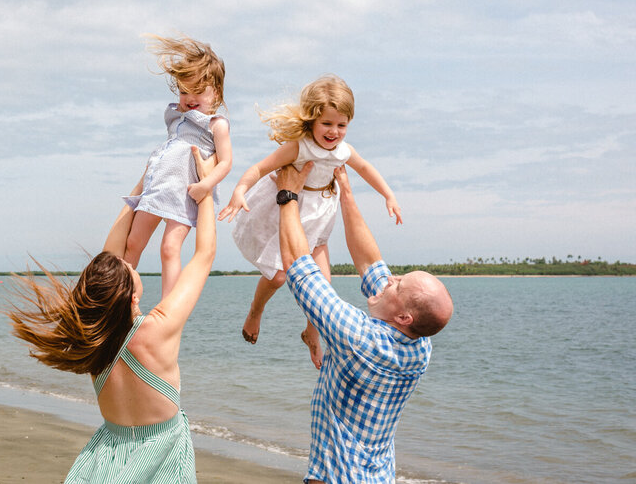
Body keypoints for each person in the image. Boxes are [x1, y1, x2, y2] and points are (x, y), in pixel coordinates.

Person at [6, 147, 217, 483]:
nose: (129, 262)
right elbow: (204, 255)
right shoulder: (156, 331)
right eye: (128, 268)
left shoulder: (91, 335)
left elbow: (111, 257)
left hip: (107, 455)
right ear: (132, 295)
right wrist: (206, 189)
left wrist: (144, 184)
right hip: (162, 454)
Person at [276, 163, 453, 483]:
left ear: (403, 317)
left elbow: (298, 267)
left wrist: (288, 195)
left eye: (398, 284)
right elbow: (370, 261)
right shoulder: (420, 347)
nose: (391, 279)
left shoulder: (357, 337)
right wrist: (345, 189)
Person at [218, 75, 401, 368]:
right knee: (278, 276)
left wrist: (388, 195)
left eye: (342, 125)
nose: (334, 132)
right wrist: (239, 190)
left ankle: (311, 333)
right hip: (290, 207)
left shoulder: (344, 151)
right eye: (327, 124)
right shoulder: (298, 147)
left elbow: (366, 168)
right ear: (312, 120)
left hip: (320, 212)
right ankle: (255, 311)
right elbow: (259, 168)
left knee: (324, 287)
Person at [123, 34, 232, 298]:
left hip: (185, 193)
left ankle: (167, 306)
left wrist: (205, 185)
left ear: (215, 92)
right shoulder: (175, 118)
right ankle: (120, 297)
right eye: (184, 91)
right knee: (133, 242)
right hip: (160, 187)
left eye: (198, 91)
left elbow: (226, 162)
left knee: (169, 248)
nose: (189, 97)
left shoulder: (217, 124)